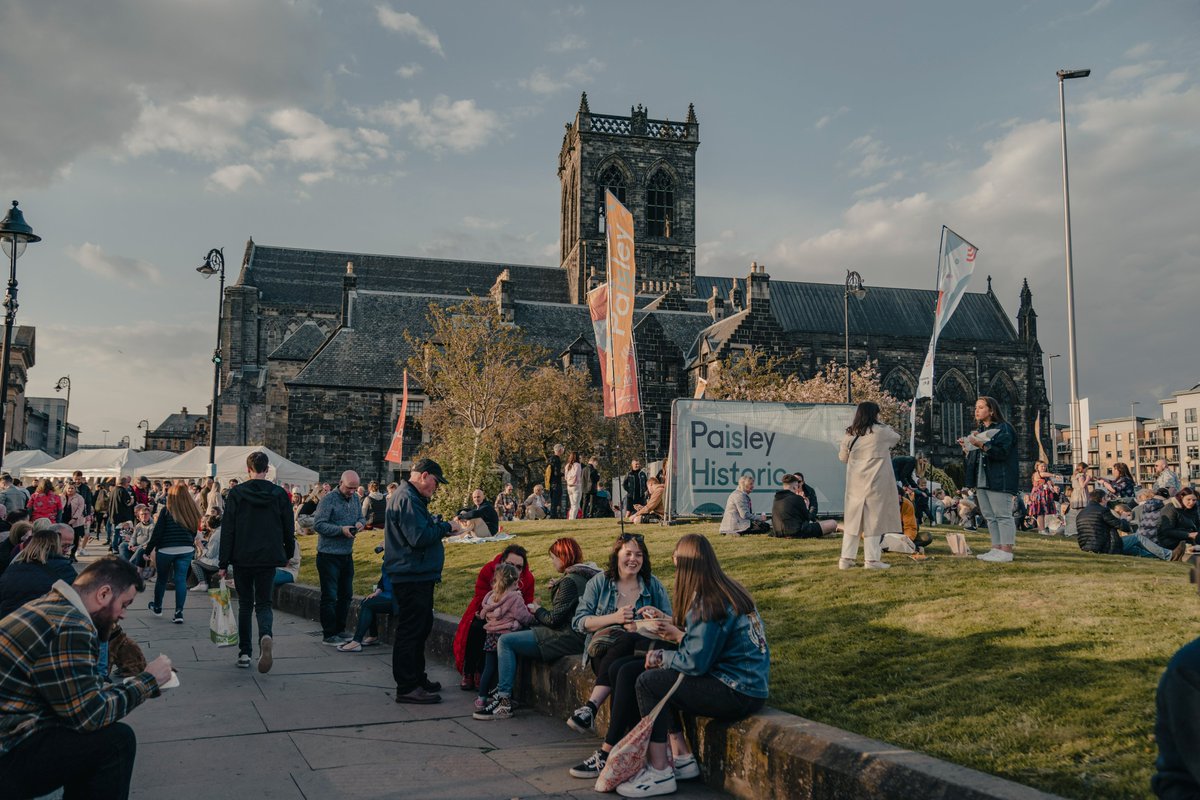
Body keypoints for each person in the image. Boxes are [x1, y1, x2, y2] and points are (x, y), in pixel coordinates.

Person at [0, 557, 172, 800]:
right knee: (116, 742)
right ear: (103, 594)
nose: (123, 614)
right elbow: (90, 715)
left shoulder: (50, 606)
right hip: (7, 751)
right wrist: (148, 680)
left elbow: (74, 700)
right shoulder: (72, 625)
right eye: (125, 604)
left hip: (13, 731)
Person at [615, 533, 769, 797]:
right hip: (751, 686)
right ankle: (683, 759)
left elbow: (694, 662)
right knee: (664, 678)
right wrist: (673, 626)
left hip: (734, 690)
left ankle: (660, 772)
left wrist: (660, 657)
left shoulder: (708, 602)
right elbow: (708, 641)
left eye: (677, 565)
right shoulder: (728, 589)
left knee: (649, 682)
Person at [565, 533, 672, 780]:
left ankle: (592, 711)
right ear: (617, 556)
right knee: (620, 668)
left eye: (639, 554)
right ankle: (620, 755)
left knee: (626, 662)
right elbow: (580, 622)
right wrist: (615, 618)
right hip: (603, 651)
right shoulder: (599, 583)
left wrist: (650, 620)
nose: (633, 559)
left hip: (641, 651)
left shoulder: (652, 584)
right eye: (628, 553)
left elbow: (669, 622)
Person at [473, 538, 600, 721]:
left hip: (569, 636)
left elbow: (554, 619)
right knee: (515, 636)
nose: (552, 562)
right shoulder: (584, 574)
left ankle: (503, 701)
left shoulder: (569, 581)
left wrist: (536, 609)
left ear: (563, 557)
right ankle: (505, 694)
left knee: (506, 641)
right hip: (579, 634)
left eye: (553, 558)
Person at [385, 458, 455, 704]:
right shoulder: (407, 498)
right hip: (411, 574)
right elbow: (419, 537)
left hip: (416, 573)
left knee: (420, 627)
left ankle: (416, 678)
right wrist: (447, 526)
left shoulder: (411, 497)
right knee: (411, 630)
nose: (436, 488)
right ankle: (407, 686)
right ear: (425, 476)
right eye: (436, 482)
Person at [219, 450, 296, 672]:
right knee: (264, 603)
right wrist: (288, 553)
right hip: (268, 555)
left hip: (242, 555)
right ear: (266, 469)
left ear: (248, 469)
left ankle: (244, 653)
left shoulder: (236, 493)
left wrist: (223, 563)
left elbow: (228, 530)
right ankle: (266, 635)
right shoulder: (279, 494)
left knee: (245, 604)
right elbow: (288, 527)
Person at [453, 545, 534, 691]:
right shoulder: (488, 570)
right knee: (476, 627)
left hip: (509, 619)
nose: (514, 569)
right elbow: (480, 595)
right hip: (486, 611)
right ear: (502, 562)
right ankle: (469, 670)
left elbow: (527, 604)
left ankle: (481, 673)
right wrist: (487, 612)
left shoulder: (527, 579)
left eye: (519, 567)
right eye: (510, 565)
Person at [838, 401, 902, 570]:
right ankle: (872, 560)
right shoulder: (881, 432)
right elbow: (896, 438)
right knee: (873, 522)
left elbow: (842, 458)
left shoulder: (849, 435)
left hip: (855, 485)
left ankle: (846, 559)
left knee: (853, 523)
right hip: (875, 483)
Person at [961, 396, 1020, 563]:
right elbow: (978, 457)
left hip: (999, 478)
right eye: (976, 407)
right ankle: (996, 548)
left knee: (1002, 515)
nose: (976, 410)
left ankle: (1007, 551)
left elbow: (1002, 453)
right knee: (989, 516)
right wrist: (967, 447)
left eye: (981, 407)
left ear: (991, 410)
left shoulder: (1004, 429)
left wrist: (980, 445)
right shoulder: (979, 431)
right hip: (982, 479)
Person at [313, 470, 365, 645]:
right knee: (330, 596)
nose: (352, 491)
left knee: (346, 594)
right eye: (349, 487)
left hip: (346, 554)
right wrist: (340, 530)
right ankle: (329, 634)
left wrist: (360, 524)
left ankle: (340, 629)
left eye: (355, 488)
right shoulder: (328, 499)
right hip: (328, 555)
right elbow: (318, 524)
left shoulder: (356, 499)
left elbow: (361, 518)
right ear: (340, 483)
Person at [474, 562, 535, 705]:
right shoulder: (515, 598)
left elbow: (486, 615)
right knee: (506, 668)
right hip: (506, 636)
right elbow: (523, 617)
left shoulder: (491, 597)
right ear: (515, 580)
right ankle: (505, 697)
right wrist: (535, 617)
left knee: (489, 667)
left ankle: (481, 698)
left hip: (491, 635)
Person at [143, 483, 202, 624]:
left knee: (162, 579)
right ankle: (179, 612)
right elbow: (195, 530)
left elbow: (157, 533)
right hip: (186, 549)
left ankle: (157, 607)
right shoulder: (192, 510)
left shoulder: (166, 510)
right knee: (181, 580)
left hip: (166, 549)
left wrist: (148, 549)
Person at [0, 525, 77, 618]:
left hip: (8, 623)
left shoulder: (14, 565)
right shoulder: (63, 568)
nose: (66, 550)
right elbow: (77, 600)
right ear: (55, 544)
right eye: (64, 545)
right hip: (39, 624)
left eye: (69, 546)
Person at [337, 555, 392, 653]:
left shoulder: (398, 557)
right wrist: (377, 592)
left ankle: (356, 641)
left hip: (399, 598)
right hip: (387, 594)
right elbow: (384, 578)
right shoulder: (391, 556)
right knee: (366, 601)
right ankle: (373, 636)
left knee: (368, 605)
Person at [770, 473, 836, 538]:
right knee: (833, 523)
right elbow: (806, 519)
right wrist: (806, 506)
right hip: (797, 532)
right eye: (797, 485)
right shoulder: (798, 498)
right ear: (794, 487)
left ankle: (823, 533)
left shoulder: (776, 499)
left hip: (778, 532)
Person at [1074, 490, 1131, 555]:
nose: (1108, 500)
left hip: (1086, 547)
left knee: (1135, 549)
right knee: (1137, 537)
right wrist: (1123, 518)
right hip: (1104, 547)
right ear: (1103, 499)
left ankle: (1144, 558)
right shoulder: (1103, 511)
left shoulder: (1081, 512)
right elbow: (1124, 527)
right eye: (1106, 498)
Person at [1158, 488, 1199, 557]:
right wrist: (1188, 535)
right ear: (1181, 497)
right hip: (1171, 542)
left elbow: (1197, 525)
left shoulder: (1193, 509)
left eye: (1194, 500)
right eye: (1188, 499)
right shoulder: (1170, 508)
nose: (1191, 502)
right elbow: (1166, 531)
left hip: (1188, 540)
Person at [190, 514, 223, 591]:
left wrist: (201, 546)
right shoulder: (220, 531)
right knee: (198, 558)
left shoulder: (215, 536)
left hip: (216, 562)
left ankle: (202, 583)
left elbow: (210, 555)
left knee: (194, 562)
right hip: (219, 560)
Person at [1028, 463, 1059, 535]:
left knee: (1043, 513)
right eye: (1041, 466)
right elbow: (1042, 474)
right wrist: (1054, 475)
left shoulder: (1046, 477)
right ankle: (1041, 530)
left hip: (1045, 496)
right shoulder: (1037, 474)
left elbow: (1050, 485)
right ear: (1037, 467)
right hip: (1039, 495)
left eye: (1045, 466)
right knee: (1040, 513)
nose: (1043, 467)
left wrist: (1053, 488)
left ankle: (1042, 529)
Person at [62, 481, 88, 562]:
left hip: (76, 521)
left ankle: (72, 554)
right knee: (62, 538)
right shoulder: (61, 496)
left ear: (75, 489)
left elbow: (80, 510)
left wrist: (73, 520)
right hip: (63, 519)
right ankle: (62, 553)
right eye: (68, 488)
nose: (70, 490)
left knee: (75, 538)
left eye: (72, 488)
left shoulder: (79, 498)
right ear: (66, 488)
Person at [547, 444, 565, 519]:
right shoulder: (557, 459)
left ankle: (554, 514)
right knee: (556, 500)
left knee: (553, 500)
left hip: (551, 483)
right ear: (560, 450)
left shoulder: (550, 459)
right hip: (556, 483)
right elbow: (556, 473)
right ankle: (554, 515)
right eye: (563, 449)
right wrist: (564, 473)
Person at [565, 451, 583, 520]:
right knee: (576, 504)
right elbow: (577, 475)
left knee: (572, 504)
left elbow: (566, 477)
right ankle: (572, 518)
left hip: (569, 486)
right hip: (576, 486)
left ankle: (570, 517)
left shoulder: (567, 466)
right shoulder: (577, 465)